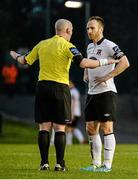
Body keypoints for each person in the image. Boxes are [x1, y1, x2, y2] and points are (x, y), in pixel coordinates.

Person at [10, 18, 118, 172]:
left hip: (42, 87)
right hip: (60, 88)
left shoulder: (42, 44)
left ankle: (44, 163)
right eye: (71, 31)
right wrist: (106, 61)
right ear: (68, 31)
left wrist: (14, 55)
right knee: (60, 128)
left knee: (44, 127)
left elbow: (24, 60)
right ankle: (60, 164)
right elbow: (83, 63)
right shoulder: (68, 46)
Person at [81, 16, 130, 172]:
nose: (89, 30)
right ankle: (95, 163)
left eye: (92, 28)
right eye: (88, 28)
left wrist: (107, 77)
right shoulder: (89, 47)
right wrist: (86, 73)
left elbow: (125, 62)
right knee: (90, 128)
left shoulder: (110, 45)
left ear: (100, 29)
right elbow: (88, 62)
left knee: (107, 128)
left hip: (106, 92)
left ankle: (107, 165)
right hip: (91, 93)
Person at [66, 80, 85, 145]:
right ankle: (82, 140)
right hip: (76, 113)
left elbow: (72, 103)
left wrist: (72, 114)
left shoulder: (73, 92)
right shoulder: (74, 91)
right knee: (72, 128)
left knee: (69, 128)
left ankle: (69, 144)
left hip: (73, 113)